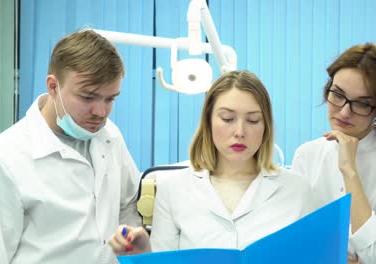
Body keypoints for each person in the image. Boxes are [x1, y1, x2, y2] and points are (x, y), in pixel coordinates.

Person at [0, 29, 149, 264]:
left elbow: (128, 205)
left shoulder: (109, 136)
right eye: (87, 97)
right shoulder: (4, 158)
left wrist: (131, 238)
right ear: (53, 86)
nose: (100, 112)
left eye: (110, 99)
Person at [110, 70, 315, 254]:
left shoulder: (297, 189)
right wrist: (142, 253)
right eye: (227, 118)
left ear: (266, 126)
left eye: (253, 120)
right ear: (208, 121)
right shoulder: (173, 189)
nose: (240, 132)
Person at [291, 43, 376, 263]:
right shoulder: (307, 155)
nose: (344, 111)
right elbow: (297, 246)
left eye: (362, 104)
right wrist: (372, 227)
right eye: (337, 94)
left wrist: (349, 171)